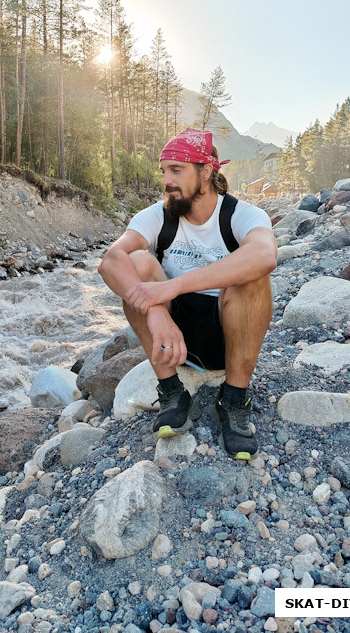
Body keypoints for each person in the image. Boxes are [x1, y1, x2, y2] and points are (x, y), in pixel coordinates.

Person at [98, 128, 277, 460]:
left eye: (176, 170)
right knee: (134, 262)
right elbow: (110, 260)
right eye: (164, 170)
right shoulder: (157, 215)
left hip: (230, 332)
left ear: (206, 172)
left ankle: (235, 398)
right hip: (172, 334)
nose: (166, 179)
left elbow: (265, 256)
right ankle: (171, 391)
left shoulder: (242, 215)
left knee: (252, 277)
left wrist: (173, 285)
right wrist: (155, 310)